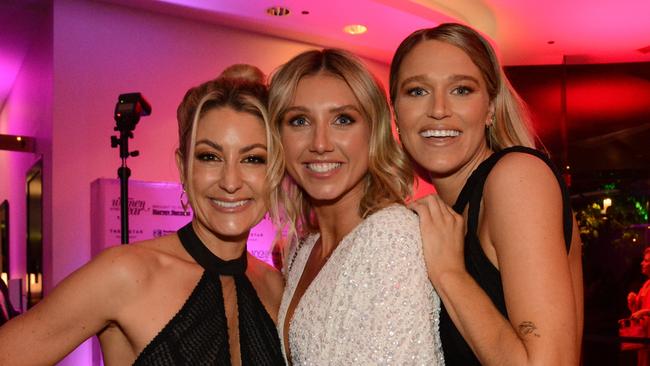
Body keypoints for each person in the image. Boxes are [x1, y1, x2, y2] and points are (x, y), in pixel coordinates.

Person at [0, 65, 285, 365]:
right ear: (183, 167)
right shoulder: (125, 273)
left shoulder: (275, 288)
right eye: (209, 157)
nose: (230, 181)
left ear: (274, 171)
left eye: (253, 159)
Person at [389, 23, 583, 365]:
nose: (438, 109)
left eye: (461, 90)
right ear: (396, 113)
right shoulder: (447, 213)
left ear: (491, 107)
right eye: (417, 91)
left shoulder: (516, 177)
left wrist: (450, 274)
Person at [268, 48, 445, 365]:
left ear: (373, 132)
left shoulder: (390, 236)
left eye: (343, 120)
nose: (320, 143)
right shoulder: (303, 248)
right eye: (299, 120)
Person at [625, 247, 650, 364]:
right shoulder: (646, 284)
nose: (642, 263)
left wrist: (643, 312)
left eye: (646, 261)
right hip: (643, 336)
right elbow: (635, 312)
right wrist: (633, 302)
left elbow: (642, 312)